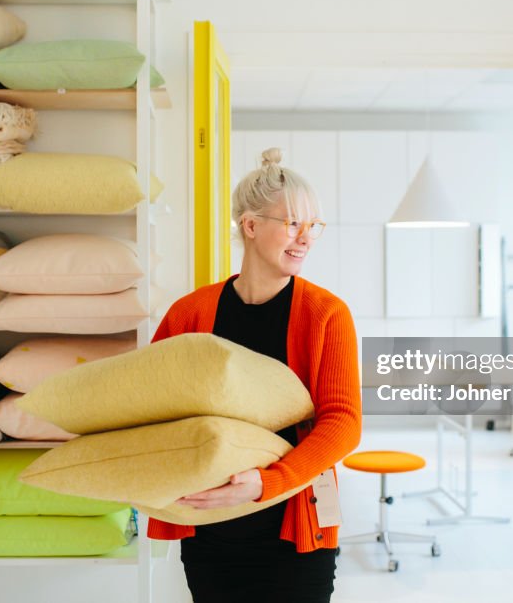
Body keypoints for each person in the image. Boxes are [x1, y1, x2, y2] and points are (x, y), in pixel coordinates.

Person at [147, 147, 363, 603]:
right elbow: (151, 407)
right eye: (292, 223)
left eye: (313, 226)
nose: (305, 239)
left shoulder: (327, 315)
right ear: (250, 226)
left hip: (294, 532)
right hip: (210, 533)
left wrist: (268, 483)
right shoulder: (189, 314)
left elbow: (342, 422)